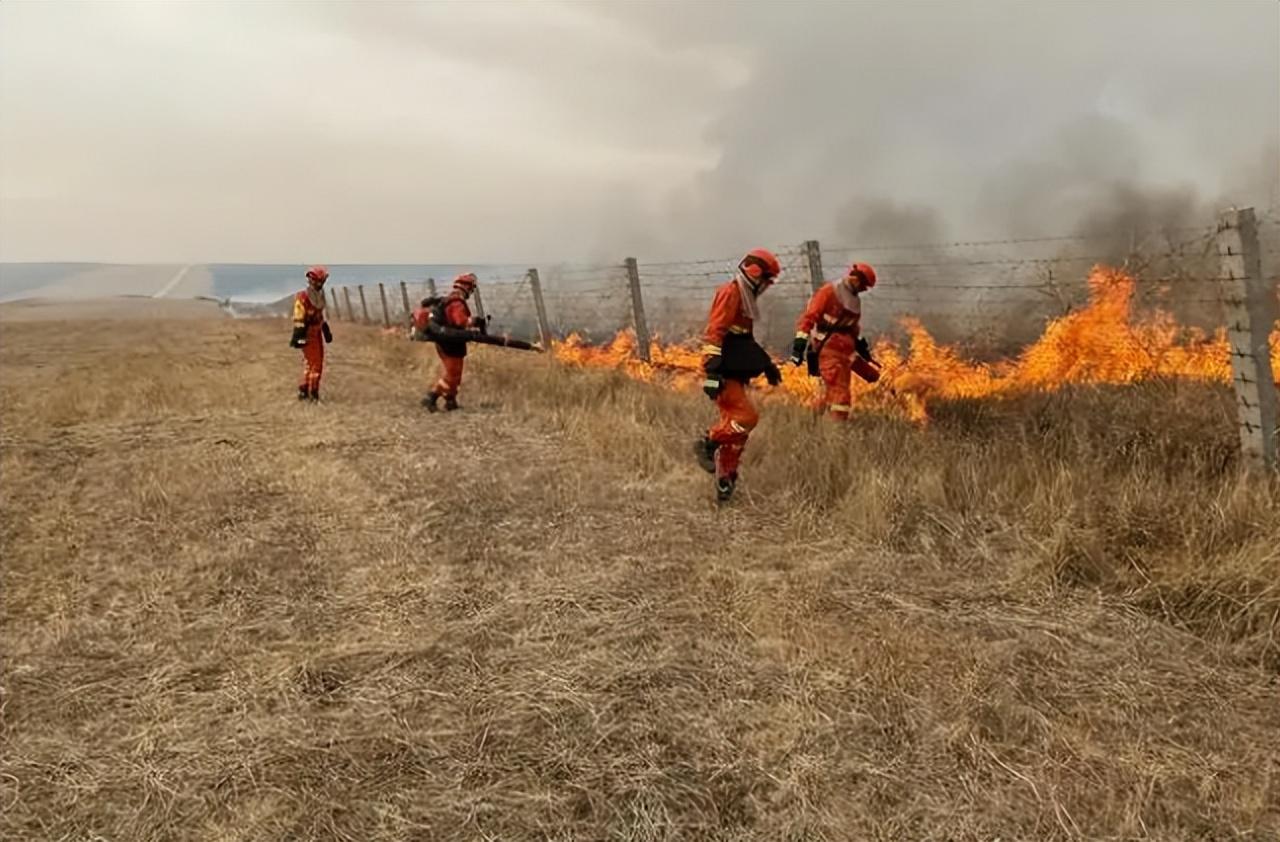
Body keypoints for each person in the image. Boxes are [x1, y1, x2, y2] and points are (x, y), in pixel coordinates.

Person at [695, 248, 784, 501]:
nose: (767, 285)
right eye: (766, 280)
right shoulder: (731, 293)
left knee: (737, 433)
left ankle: (726, 479)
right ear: (755, 274)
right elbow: (715, 332)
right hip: (723, 373)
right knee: (747, 418)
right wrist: (712, 372)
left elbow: (743, 339)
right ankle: (708, 442)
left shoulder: (745, 299)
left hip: (734, 372)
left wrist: (766, 364)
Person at [789, 261, 879, 420]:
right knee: (840, 394)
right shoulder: (829, 292)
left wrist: (862, 348)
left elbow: (852, 328)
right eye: (864, 286)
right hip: (828, 351)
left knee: (833, 391)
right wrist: (798, 348)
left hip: (846, 352)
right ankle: (838, 432)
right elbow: (808, 318)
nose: (864, 290)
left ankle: (810, 422)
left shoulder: (855, 301)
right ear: (856, 280)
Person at [420, 272, 486, 412]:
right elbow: (460, 321)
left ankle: (451, 401)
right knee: (453, 375)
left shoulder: (448, 299)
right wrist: (475, 321)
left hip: (445, 341)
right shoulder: (457, 302)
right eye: (471, 288)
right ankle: (431, 397)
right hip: (451, 342)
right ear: (466, 287)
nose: (471, 291)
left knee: (455, 373)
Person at [289, 265, 333, 401]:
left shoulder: (318, 296)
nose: (321, 284)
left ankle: (304, 390)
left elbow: (319, 315)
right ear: (313, 280)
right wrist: (299, 335)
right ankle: (313, 393)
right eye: (320, 281)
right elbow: (299, 316)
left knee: (311, 363)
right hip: (307, 334)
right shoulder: (303, 297)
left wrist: (325, 328)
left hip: (317, 332)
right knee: (316, 364)